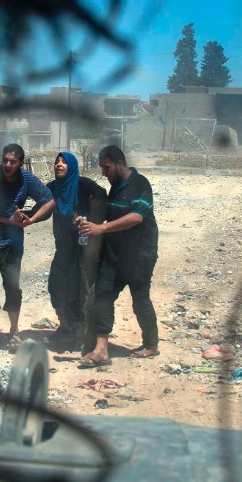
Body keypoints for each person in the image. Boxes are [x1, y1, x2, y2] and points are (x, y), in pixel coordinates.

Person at [75, 145, 160, 367]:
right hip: (114, 256)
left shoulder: (140, 184)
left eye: (106, 167)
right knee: (102, 298)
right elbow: (110, 218)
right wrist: (88, 224)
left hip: (140, 256)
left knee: (140, 300)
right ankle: (101, 349)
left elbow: (136, 217)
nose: (104, 172)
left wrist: (100, 229)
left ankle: (151, 344)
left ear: (119, 164)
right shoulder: (115, 188)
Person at [0, 143, 55, 351]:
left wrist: (31, 219)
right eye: (5, 160)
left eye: (13, 161)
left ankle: (14, 332)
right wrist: (8, 220)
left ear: (20, 163)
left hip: (12, 244)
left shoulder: (26, 179)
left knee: (13, 288)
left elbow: (49, 201)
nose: (8, 164)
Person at [24, 152, 107, 353]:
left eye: (63, 162)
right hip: (63, 249)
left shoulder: (85, 185)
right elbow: (40, 211)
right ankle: (64, 327)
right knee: (57, 286)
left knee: (83, 290)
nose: (59, 164)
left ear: (71, 165)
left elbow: (104, 202)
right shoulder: (52, 188)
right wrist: (25, 216)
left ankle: (85, 333)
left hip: (85, 250)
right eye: (56, 162)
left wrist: (89, 219)